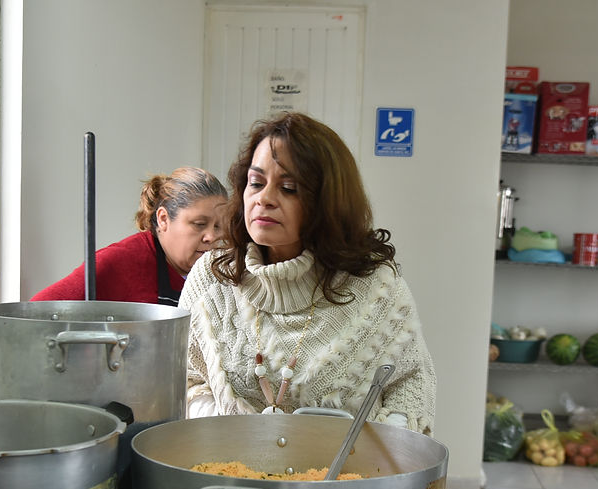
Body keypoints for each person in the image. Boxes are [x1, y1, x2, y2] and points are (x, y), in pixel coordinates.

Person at [179, 113, 436, 434]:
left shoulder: (375, 286)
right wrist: (238, 437)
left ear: (327, 201)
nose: (264, 199)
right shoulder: (213, 278)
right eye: (256, 183)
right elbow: (187, 380)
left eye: (288, 188)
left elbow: (413, 383)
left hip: (344, 475)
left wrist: (376, 447)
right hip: (227, 471)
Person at [31, 167, 227, 305]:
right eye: (199, 224)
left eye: (219, 226)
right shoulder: (117, 262)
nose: (211, 236)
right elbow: (38, 312)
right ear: (163, 219)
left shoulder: (218, 272)